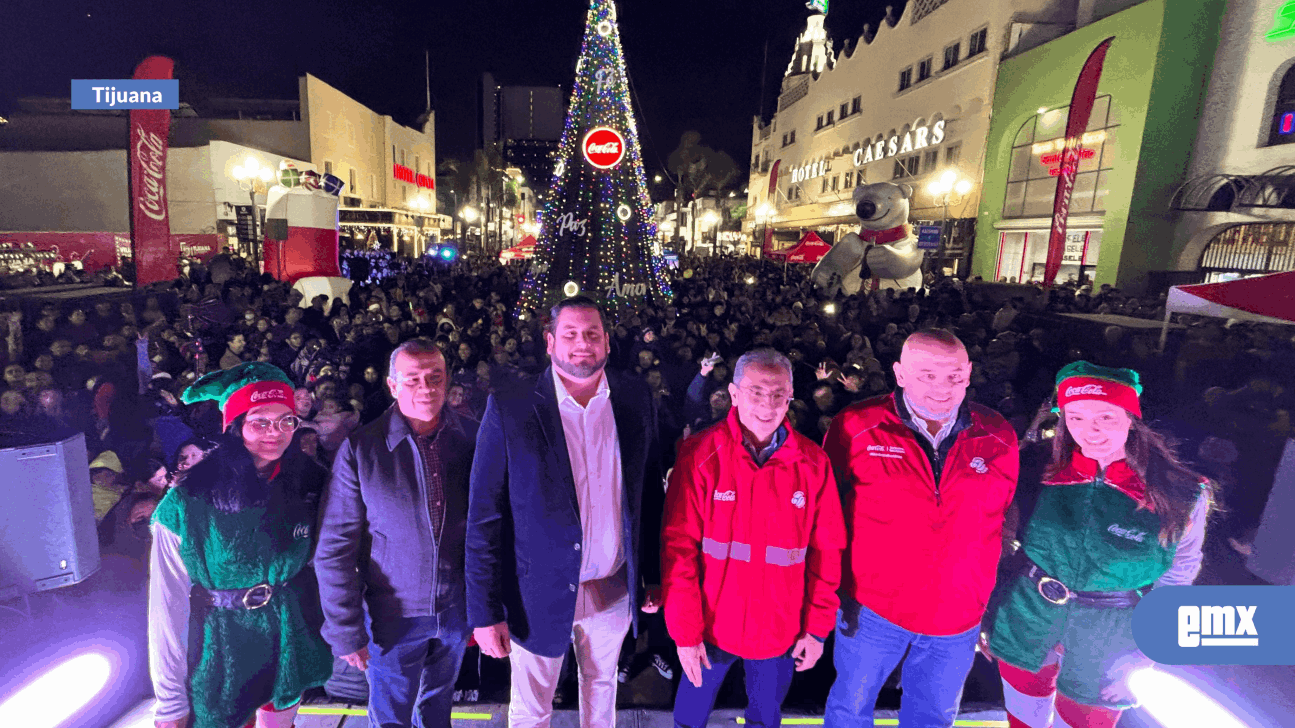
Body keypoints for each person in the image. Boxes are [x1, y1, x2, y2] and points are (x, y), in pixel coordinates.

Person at [466, 296, 663, 728]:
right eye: (570, 334)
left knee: (602, 691)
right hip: (535, 593)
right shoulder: (511, 406)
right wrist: (484, 613)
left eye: (592, 334)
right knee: (532, 708)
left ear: (607, 342)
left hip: (612, 589)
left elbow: (646, 491)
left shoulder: (633, 397)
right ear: (550, 342)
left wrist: (651, 574)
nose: (582, 344)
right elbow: (485, 515)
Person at [983, 362, 1213, 728]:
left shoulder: (1182, 490)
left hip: (1112, 639)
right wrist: (990, 611)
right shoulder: (1033, 467)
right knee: (1023, 721)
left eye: (1105, 416)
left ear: (1131, 416)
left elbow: (1178, 575)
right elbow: (998, 542)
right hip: (1025, 618)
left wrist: (1148, 652)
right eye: (1075, 418)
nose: (1090, 431)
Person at [822, 329, 1019, 728]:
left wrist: (988, 598)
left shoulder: (997, 434)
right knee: (850, 708)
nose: (942, 388)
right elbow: (827, 515)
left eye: (954, 376)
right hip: (871, 608)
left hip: (958, 613)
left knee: (933, 717)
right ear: (899, 373)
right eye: (927, 374)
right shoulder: (857, 425)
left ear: (969, 374)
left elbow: (1003, 518)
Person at [661, 348, 846, 728]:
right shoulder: (700, 454)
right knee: (688, 719)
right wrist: (684, 633)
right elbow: (678, 549)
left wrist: (816, 629)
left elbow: (826, 551)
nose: (768, 404)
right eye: (756, 392)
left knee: (766, 719)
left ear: (791, 395)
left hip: (780, 630)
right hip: (709, 629)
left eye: (779, 394)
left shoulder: (813, 462)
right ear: (733, 393)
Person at [148, 362, 332, 728]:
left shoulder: (308, 483)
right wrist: (170, 702)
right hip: (220, 649)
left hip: (287, 639)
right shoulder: (187, 502)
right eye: (260, 421)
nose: (275, 433)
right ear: (235, 426)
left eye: (286, 421)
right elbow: (165, 608)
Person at [315, 339, 479, 728]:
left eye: (434, 377)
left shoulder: (474, 437)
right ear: (392, 386)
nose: (425, 388)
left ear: (447, 380)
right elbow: (334, 548)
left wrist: (486, 608)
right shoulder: (362, 449)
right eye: (413, 379)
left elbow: (493, 530)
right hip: (392, 617)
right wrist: (345, 628)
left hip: (456, 610)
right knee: (390, 718)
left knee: (438, 711)